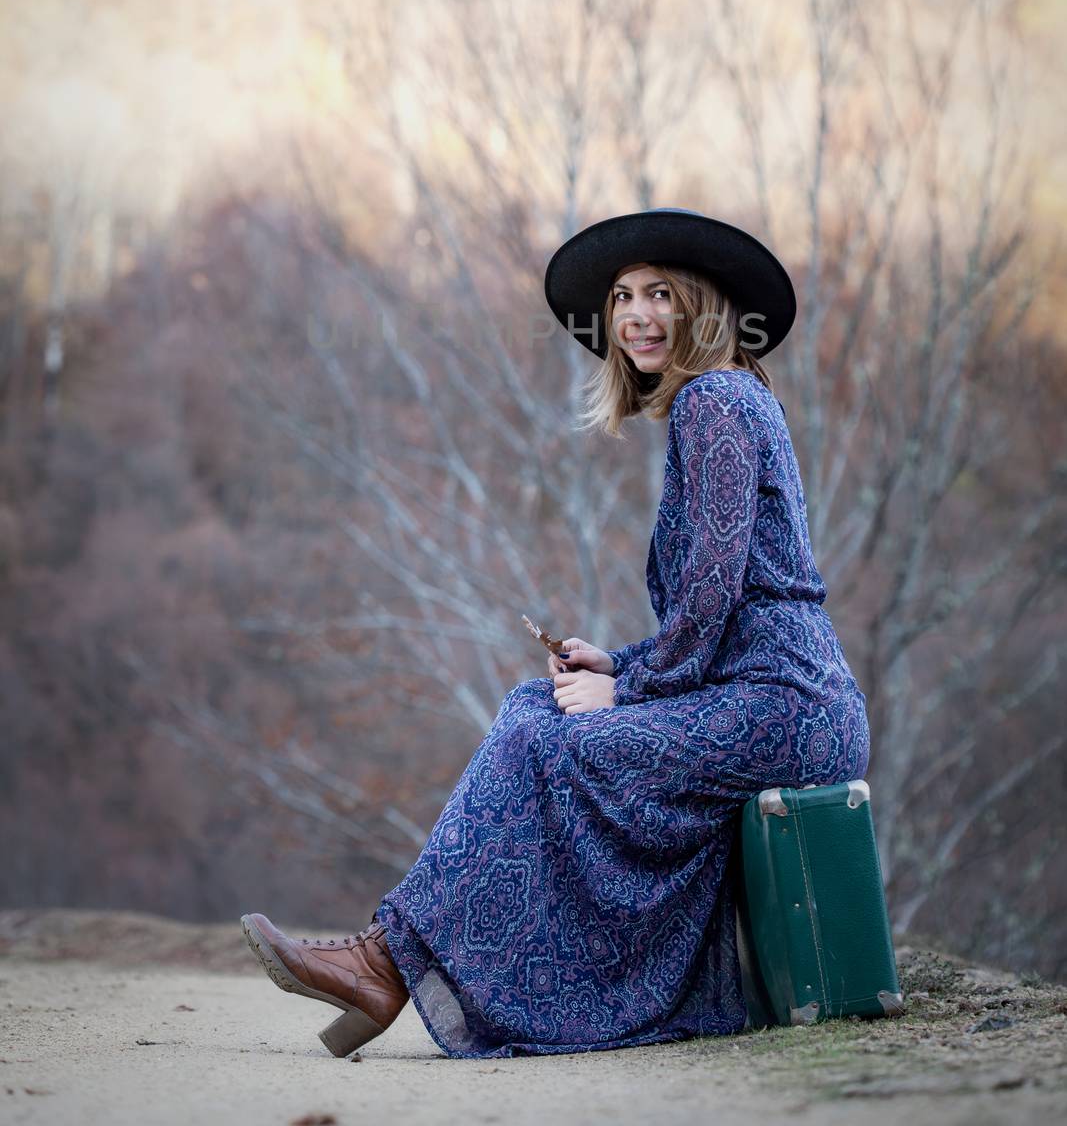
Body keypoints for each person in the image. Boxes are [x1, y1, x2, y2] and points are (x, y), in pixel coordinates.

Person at [241, 207, 870, 1059]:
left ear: (704, 306)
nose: (637, 316)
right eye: (621, 298)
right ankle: (387, 963)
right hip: (759, 693)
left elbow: (720, 593)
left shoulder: (714, 400)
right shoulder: (727, 399)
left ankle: (385, 961)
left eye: (659, 294)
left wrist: (630, 687)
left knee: (549, 746)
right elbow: (728, 606)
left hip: (787, 709)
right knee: (533, 710)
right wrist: (619, 661)